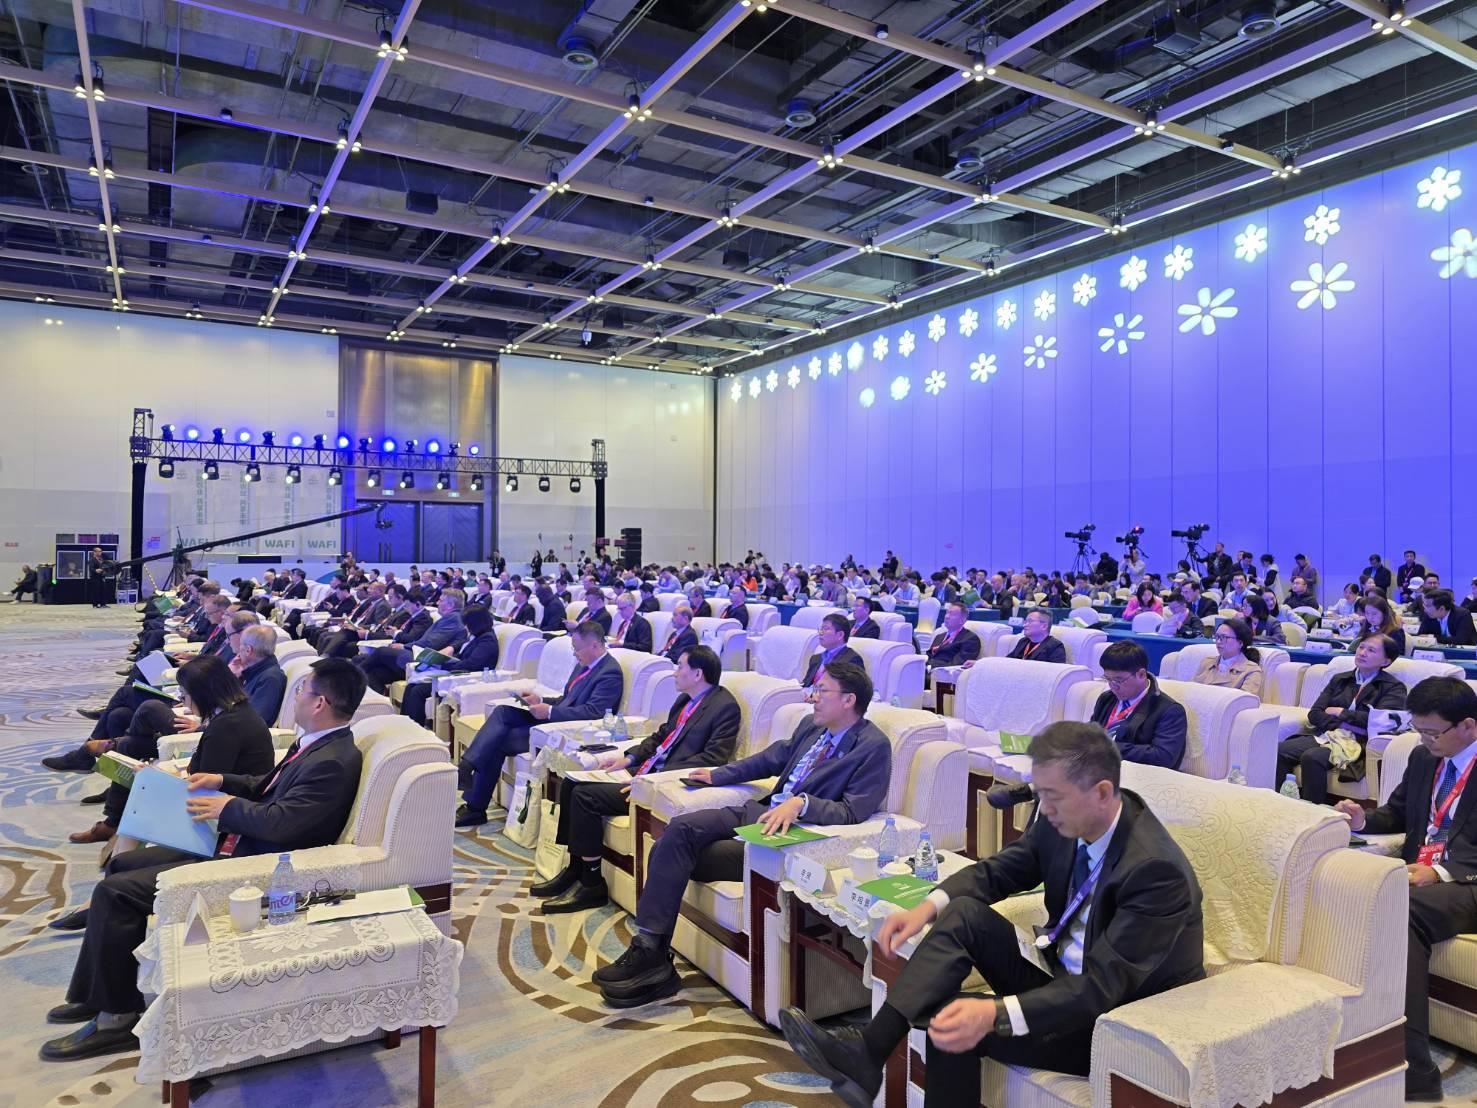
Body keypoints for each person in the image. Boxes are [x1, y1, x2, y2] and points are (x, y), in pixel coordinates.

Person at [779, 721, 1204, 1107]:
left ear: (1103, 793)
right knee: (963, 913)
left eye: (1053, 797)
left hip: (1112, 1022)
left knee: (953, 1024)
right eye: (1040, 794)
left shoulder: (1155, 872)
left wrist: (994, 1013)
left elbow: (1101, 987)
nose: (1044, 810)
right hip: (1059, 975)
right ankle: (868, 1054)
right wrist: (925, 908)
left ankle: (869, 1056)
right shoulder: (1066, 819)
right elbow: (1000, 871)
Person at [40, 658, 366, 1061]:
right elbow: (267, 786)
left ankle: (116, 1020)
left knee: (116, 893)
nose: (295, 696)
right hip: (240, 842)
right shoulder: (317, 743)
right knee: (122, 866)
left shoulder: (332, 759)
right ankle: (102, 991)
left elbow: (283, 823)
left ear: (319, 703)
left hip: (259, 867)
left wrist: (227, 806)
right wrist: (224, 781)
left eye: (302, 690)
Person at [594, 662, 891, 1007]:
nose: (813, 697)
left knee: (670, 852)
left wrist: (802, 803)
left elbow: (854, 810)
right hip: (758, 813)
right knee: (680, 829)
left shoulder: (872, 746)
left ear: (848, 699)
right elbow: (771, 759)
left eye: (822, 690)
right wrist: (719, 774)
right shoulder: (811, 727)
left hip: (787, 835)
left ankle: (652, 958)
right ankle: (650, 951)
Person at [1335, 677, 1477, 1101]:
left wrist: (1443, 872)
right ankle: (1355, 1030)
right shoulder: (1422, 757)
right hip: (1419, 872)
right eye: (1420, 731)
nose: (1425, 740)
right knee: (1348, 886)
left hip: (1467, 881)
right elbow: (1397, 813)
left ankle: (1413, 1069)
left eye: (1433, 732)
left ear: (1468, 725)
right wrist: (1362, 820)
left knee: (1402, 906)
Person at [534, 646, 741, 914]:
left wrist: (651, 782)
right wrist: (628, 758)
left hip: (661, 785)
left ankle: (592, 884)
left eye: (680, 666)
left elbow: (712, 759)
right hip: (643, 772)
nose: (674, 672)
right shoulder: (685, 700)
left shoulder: (725, 707)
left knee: (585, 796)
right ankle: (575, 869)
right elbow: (660, 737)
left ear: (698, 673)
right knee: (571, 782)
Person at [66, 651, 278, 847]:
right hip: (224, 800)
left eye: (184, 695)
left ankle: (114, 822)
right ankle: (112, 819)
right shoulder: (232, 714)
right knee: (126, 739)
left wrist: (156, 780)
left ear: (202, 694)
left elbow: (202, 789)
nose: (183, 701)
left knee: (139, 775)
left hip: (220, 817)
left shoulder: (226, 727)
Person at [455, 621, 623, 828]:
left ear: (595, 645)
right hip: (556, 718)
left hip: (568, 730)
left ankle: (475, 806)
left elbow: (593, 713)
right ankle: (467, 766)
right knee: (503, 712)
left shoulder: (610, 673)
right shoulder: (584, 664)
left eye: (577, 649)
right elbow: (567, 700)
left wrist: (550, 711)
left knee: (498, 741)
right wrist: (540, 701)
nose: (574, 654)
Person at [1276, 632, 1406, 803]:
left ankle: (1313, 811)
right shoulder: (1341, 679)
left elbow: (1380, 723)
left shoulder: (1393, 688)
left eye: (1371, 650)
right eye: (1361, 647)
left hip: (1360, 743)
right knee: (1280, 750)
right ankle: (1281, 803)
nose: (1362, 653)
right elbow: (1315, 713)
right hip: (1328, 735)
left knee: (1313, 757)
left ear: (1385, 661)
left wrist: (1340, 712)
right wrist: (1346, 724)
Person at [398, 606, 500, 726]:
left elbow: (471, 664)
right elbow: (462, 656)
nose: (466, 627)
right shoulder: (477, 636)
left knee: (418, 690)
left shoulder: (487, 640)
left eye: (467, 624)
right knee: (411, 685)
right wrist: (442, 659)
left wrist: (444, 665)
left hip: (467, 678)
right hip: (458, 673)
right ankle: (404, 724)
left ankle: (415, 727)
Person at [1092, 641, 1187, 769]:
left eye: (1119, 680)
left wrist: (1108, 746)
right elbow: (1092, 734)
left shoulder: (1169, 710)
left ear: (1141, 674)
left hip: (1136, 774)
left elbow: (1163, 757)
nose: (1113, 686)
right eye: (1108, 679)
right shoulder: (1106, 699)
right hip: (1097, 768)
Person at [358, 588, 466, 694]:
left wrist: (404, 646)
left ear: (450, 605)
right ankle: (378, 701)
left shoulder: (452, 619)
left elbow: (430, 643)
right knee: (374, 672)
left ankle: (352, 677)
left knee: (382, 651)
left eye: (441, 600)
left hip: (423, 659)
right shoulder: (450, 618)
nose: (437, 602)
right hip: (418, 653)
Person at [1192, 619, 1263, 696]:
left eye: (1224, 637)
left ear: (1240, 643)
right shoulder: (1206, 662)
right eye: (1217, 636)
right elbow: (1192, 692)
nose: (1218, 641)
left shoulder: (1251, 670)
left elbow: (1245, 700)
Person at [801, 613, 864, 691]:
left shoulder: (852, 660)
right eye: (821, 629)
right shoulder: (815, 658)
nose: (820, 633)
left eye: (826, 629)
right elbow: (805, 684)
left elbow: (853, 691)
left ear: (840, 635)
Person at [925, 602, 982, 669]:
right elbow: (928, 656)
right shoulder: (939, 636)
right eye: (947, 613)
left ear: (962, 620)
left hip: (944, 672)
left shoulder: (970, 639)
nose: (947, 617)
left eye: (952, 614)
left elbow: (956, 665)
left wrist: (929, 667)